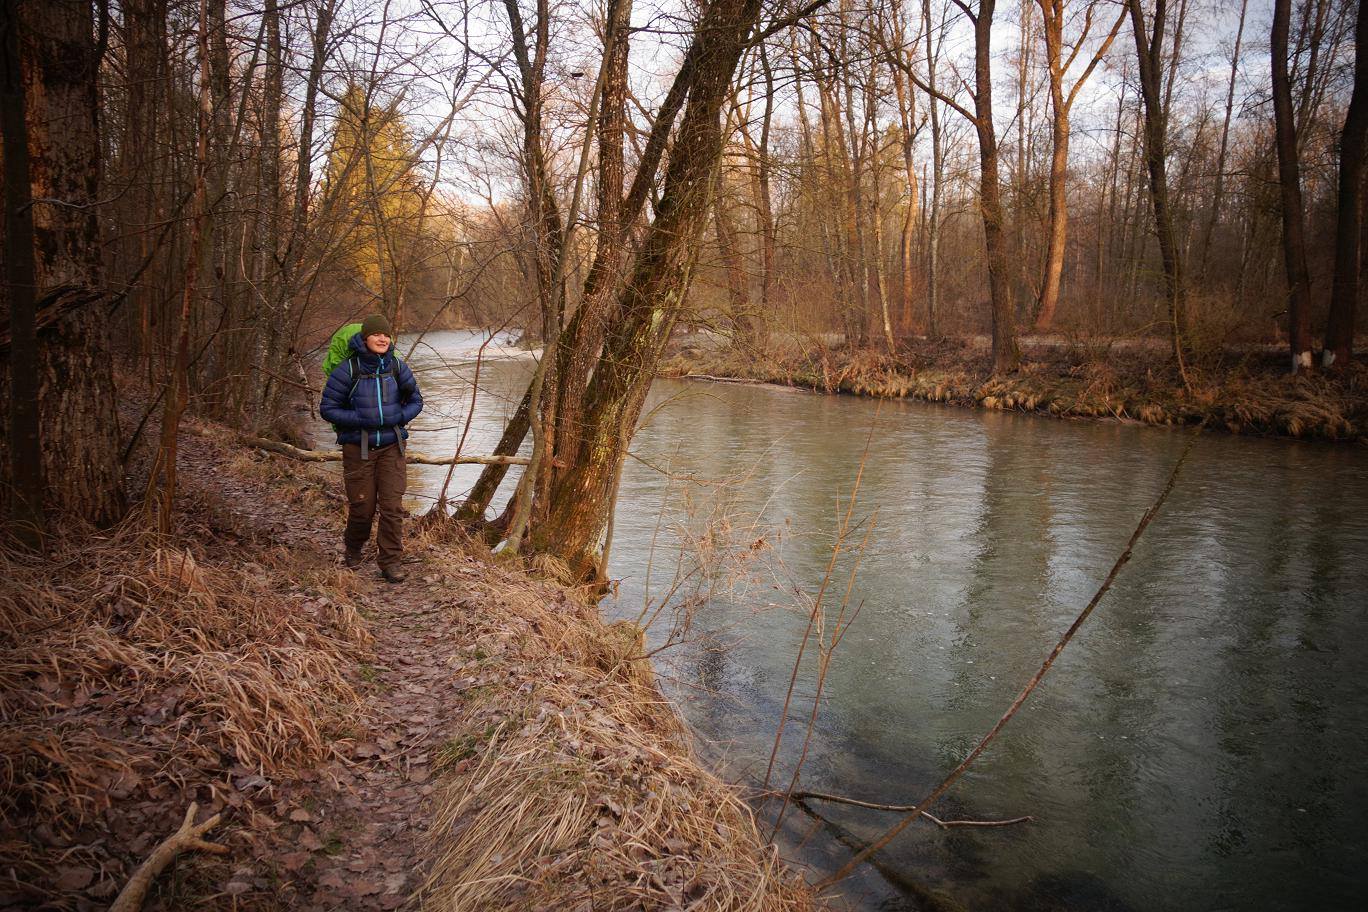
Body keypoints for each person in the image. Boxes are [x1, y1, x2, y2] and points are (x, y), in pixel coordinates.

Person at [319, 314, 423, 583]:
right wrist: (361, 421)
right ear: (365, 338)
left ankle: (390, 561)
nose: (382, 338)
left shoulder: (397, 367)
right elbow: (328, 409)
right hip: (359, 447)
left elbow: (416, 399)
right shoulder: (348, 370)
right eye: (377, 334)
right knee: (362, 507)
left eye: (386, 335)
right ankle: (353, 547)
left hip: (393, 447)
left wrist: (400, 417)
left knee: (392, 507)